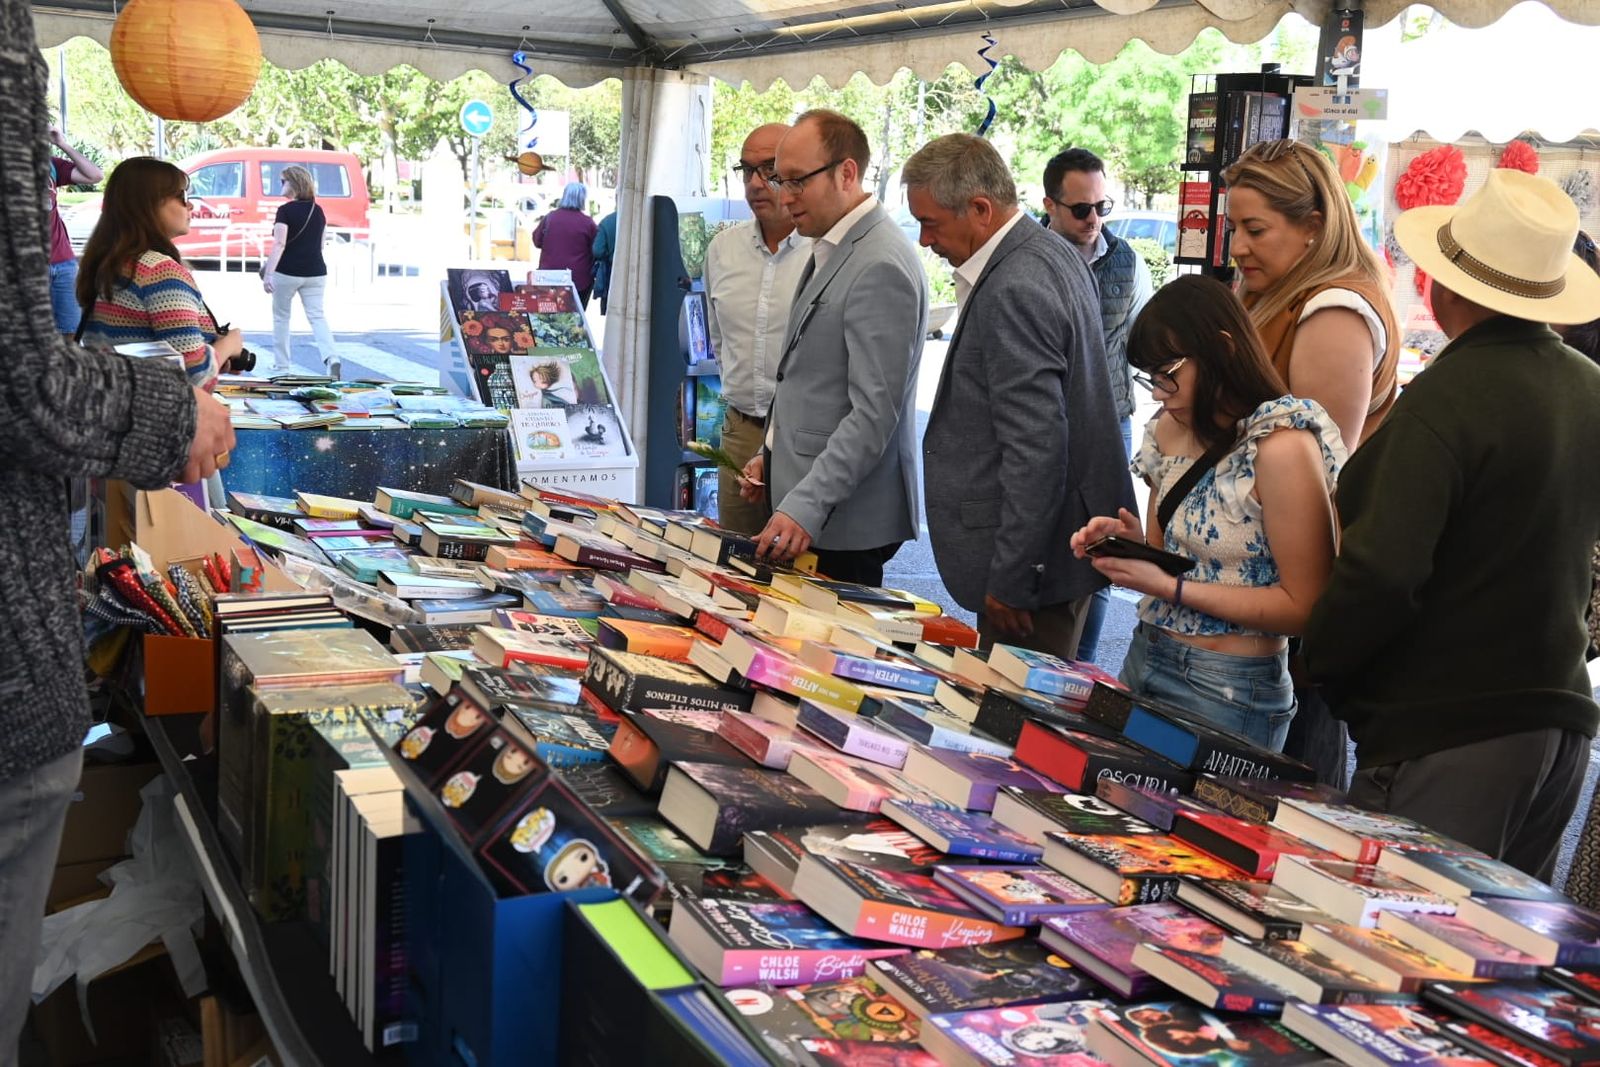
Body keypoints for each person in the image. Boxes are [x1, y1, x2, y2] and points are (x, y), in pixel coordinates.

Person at [0, 4, 233, 1052]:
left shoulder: (105, 265)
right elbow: (43, 380)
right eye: (186, 193)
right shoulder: (161, 271)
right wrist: (197, 394)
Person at [1302, 169, 1600, 880]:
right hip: (1559, 721)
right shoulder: (1588, 387)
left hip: (1449, 722)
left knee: (1391, 941)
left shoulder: (1447, 399)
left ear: (1446, 288)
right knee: (1493, 957)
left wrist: (1320, 658)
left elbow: (1383, 570)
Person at [1071, 275, 1346, 751]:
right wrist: (1128, 542)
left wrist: (1170, 586)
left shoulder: (1281, 444)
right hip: (1147, 653)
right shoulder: (1166, 432)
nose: (1158, 392)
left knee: (1197, 823)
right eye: (1148, 377)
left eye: (1167, 372)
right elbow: (1167, 555)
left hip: (1230, 686)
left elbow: (1306, 606)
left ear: (1222, 349)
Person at [907, 134, 1134, 656]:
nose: (923, 240)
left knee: (1016, 724)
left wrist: (1014, 576)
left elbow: (1037, 447)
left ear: (981, 209)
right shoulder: (1046, 251)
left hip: (1037, 572)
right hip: (1058, 554)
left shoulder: (1016, 283)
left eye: (931, 223)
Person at [1221, 138, 1403, 787]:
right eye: (1232, 226)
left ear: (1313, 227)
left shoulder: (1334, 311)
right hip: (1257, 590)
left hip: (1290, 603)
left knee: (1274, 795)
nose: (1238, 245)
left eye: (1256, 228)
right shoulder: (1290, 293)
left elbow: (1312, 480)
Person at [738, 109, 927, 586]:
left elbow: (873, 414)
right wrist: (774, 454)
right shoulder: (836, 244)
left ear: (847, 172)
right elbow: (813, 381)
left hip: (842, 523)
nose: (785, 195)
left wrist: (805, 505)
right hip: (813, 506)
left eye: (797, 181)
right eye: (781, 180)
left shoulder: (878, 262)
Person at [1040, 146, 1153, 666]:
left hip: (1111, 421)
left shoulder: (1126, 259)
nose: (1093, 220)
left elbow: (1136, 339)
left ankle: (1080, 669)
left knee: (1105, 551)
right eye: (1081, 209)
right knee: (1049, 541)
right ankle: (1045, 657)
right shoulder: (1031, 258)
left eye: (1101, 208)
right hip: (1049, 423)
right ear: (1051, 205)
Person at [704, 123, 811, 536]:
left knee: (805, 573)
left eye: (769, 169)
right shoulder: (723, 250)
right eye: (745, 170)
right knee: (738, 562)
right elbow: (720, 341)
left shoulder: (824, 251)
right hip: (742, 430)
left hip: (803, 439)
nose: (755, 183)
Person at [76, 157, 242, 390]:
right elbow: (193, 377)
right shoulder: (159, 271)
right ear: (150, 204)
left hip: (118, 403)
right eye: (183, 197)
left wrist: (214, 356)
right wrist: (230, 344)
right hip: (159, 413)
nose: (191, 206)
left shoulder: (108, 263)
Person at [259, 164, 342, 377]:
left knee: (281, 317)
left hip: (287, 272)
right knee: (317, 316)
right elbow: (321, 244)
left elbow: (279, 244)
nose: (281, 185)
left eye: (283, 181)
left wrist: (269, 273)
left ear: (294, 184)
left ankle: (282, 365)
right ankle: (331, 357)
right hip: (316, 272)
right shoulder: (318, 210)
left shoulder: (284, 211)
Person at [45, 124, 102, 338]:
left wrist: (61, 143)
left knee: (70, 333)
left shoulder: (50, 165)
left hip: (63, 264)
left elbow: (94, 176)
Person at [533, 182, 598, 306]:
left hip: (548, 278)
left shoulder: (550, 218)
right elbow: (596, 250)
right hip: (578, 281)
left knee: (547, 315)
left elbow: (537, 241)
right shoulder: (588, 223)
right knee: (575, 318)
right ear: (582, 199)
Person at [591, 209, 617, 315]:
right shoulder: (643, 219)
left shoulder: (607, 221)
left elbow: (597, 251)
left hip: (611, 274)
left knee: (610, 312)